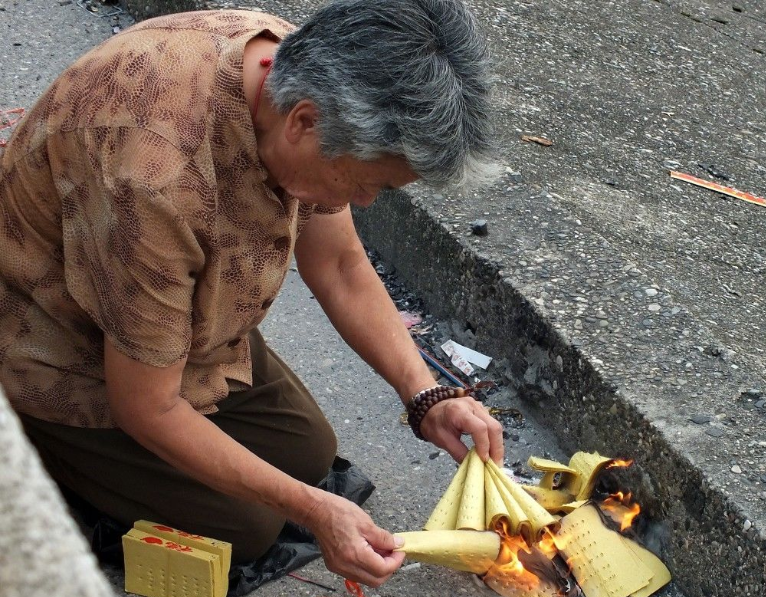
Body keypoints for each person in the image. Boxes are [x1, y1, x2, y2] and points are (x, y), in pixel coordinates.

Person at [0, 0, 503, 587]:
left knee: (310, 453)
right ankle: (35, 444)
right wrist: (312, 510)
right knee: (247, 527)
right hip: (55, 340)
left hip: (184, 328)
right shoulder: (153, 176)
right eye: (370, 183)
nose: (366, 203)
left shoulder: (297, 67)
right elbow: (148, 406)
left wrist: (425, 393)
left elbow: (340, 264)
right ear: (303, 124)